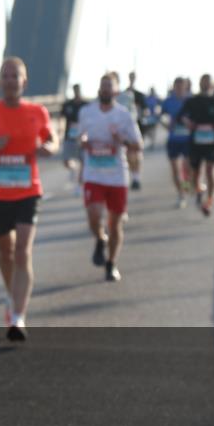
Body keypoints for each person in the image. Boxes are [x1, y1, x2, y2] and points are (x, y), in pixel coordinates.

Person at [0, 57, 58, 342]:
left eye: (14, 76)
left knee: (22, 252)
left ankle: (18, 315)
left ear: (24, 82)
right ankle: (12, 294)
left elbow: (52, 140)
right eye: (5, 76)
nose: (9, 81)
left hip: (28, 190)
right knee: (6, 253)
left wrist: (47, 148)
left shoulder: (37, 112)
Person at [78, 74, 143, 282]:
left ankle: (111, 263)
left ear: (116, 91)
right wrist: (83, 141)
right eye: (103, 86)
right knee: (94, 215)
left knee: (115, 224)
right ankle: (100, 238)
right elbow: (79, 137)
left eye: (110, 87)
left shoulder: (124, 115)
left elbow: (138, 145)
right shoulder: (86, 112)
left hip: (116, 176)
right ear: (99, 89)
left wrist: (120, 140)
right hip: (93, 173)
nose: (105, 89)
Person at [178, 73, 214, 217]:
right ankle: (200, 190)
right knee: (195, 173)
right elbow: (180, 116)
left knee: (210, 169)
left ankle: (209, 202)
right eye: (204, 82)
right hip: (196, 140)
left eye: (209, 82)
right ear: (200, 84)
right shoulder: (192, 101)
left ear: (212, 85)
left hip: (212, 141)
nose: (206, 85)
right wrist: (187, 123)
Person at [160, 77, 192, 208]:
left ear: (185, 86)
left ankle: (186, 186)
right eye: (176, 86)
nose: (179, 88)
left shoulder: (190, 100)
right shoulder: (168, 101)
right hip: (173, 139)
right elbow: (161, 116)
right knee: (175, 169)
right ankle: (181, 194)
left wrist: (190, 124)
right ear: (174, 87)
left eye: (181, 86)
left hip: (188, 140)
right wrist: (166, 125)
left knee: (187, 168)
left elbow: (198, 117)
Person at [60, 83, 87, 196]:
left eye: (78, 90)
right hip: (69, 136)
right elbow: (61, 119)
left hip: (82, 137)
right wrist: (60, 132)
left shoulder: (86, 105)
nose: (77, 92)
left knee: (83, 162)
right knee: (66, 161)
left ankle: (79, 186)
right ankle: (73, 169)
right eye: (75, 90)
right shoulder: (67, 105)